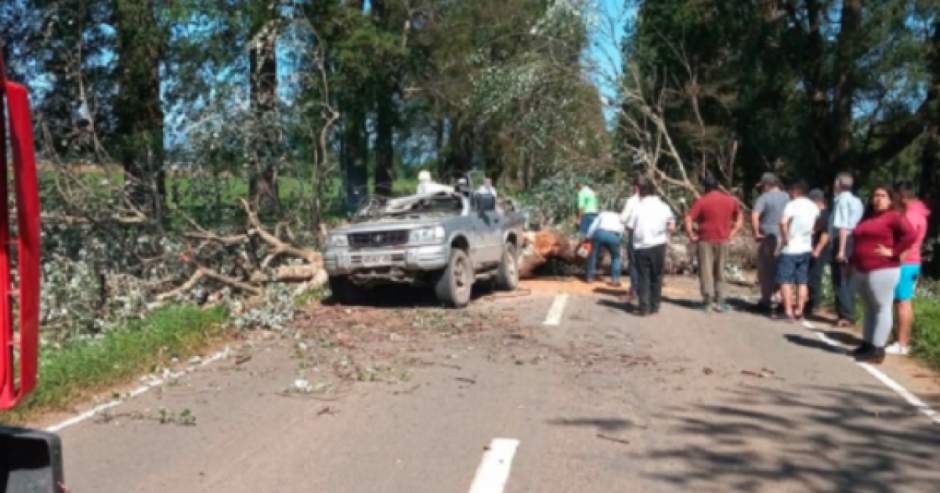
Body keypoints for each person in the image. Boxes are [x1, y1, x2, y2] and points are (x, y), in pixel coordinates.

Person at [847, 185, 916, 364]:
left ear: (891, 199)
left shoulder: (894, 217)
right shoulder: (869, 217)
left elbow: (910, 235)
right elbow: (857, 241)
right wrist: (851, 263)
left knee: (881, 307)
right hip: (861, 269)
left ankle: (878, 349)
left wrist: (893, 252)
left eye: (883, 196)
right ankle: (868, 344)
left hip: (883, 269)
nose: (878, 199)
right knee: (869, 307)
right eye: (875, 195)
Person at [685, 175, 743, 312]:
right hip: (723, 239)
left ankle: (708, 301)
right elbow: (739, 217)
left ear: (705, 187)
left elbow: (689, 218)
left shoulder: (702, 201)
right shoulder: (730, 200)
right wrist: (733, 233)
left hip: (705, 239)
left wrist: (691, 234)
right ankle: (721, 300)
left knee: (706, 271)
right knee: (720, 270)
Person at [887, 181, 931, 356]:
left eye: (895, 196)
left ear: (902, 196)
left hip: (906, 263)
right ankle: (902, 340)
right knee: (904, 302)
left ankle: (902, 343)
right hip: (912, 262)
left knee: (902, 303)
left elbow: (907, 241)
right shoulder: (919, 213)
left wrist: (896, 259)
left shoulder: (911, 216)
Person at [625, 180, 676, 316]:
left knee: (644, 276)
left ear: (640, 192)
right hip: (659, 245)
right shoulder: (664, 206)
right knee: (657, 276)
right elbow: (671, 226)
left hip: (642, 245)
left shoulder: (637, 208)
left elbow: (629, 227)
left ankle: (644, 306)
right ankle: (655, 305)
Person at [775, 180, 819, 321]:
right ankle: (800, 310)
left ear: (795, 191)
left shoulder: (792, 205)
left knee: (785, 280)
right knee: (802, 281)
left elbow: (783, 222)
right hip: (806, 246)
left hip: (791, 247)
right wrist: (813, 230)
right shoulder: (813, 206)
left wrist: (785, 236)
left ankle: (788, 310)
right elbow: (820, 220)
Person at [751, 172, 790, 312]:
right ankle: (781, 298)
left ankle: (766, 300)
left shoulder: (764, 198)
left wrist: (756, 232)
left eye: (763, 186)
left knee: (766, 269)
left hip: (768, 236)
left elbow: (755, 215)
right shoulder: (788, 197)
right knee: (782, 268)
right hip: (785, 237)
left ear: (767, 185)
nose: (762, 189)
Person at [830, 172, 865, 327]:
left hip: (843, 239)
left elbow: (843, 226)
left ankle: (845, 315)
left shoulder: (842, 201)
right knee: (850, 278)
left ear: (838, 184)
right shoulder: (857, 201)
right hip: (855, 239)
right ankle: (848, 312)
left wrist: (841, 250)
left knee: (839, 277)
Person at [805, 188, 832, 315]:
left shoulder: (824, 215)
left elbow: (825, 234)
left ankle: (814, 304)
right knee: (811, 275)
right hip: (816, 248)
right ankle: (811, 301)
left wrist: (817, 249)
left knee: (815, 276)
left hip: (820, 250)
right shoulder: (822, 214)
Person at [619, 176, 645, 301]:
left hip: (635, 235)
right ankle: (646, 290)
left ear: (636, 187)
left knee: (634, 264)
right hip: (652, 238)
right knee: (646, 265)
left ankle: (634, 290)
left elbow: (623, 218)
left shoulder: (632, 200)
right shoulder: (655, 200)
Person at [584, 211, 624, 286]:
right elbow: (621, 230)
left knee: (593, 255)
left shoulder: (602, 214)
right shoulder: (619, 217)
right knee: (616, 257)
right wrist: (617, 239)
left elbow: (593, 226)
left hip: (600, 233)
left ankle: (590, 278)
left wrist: (588, 237)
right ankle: (615, 279)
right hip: (614, 235)